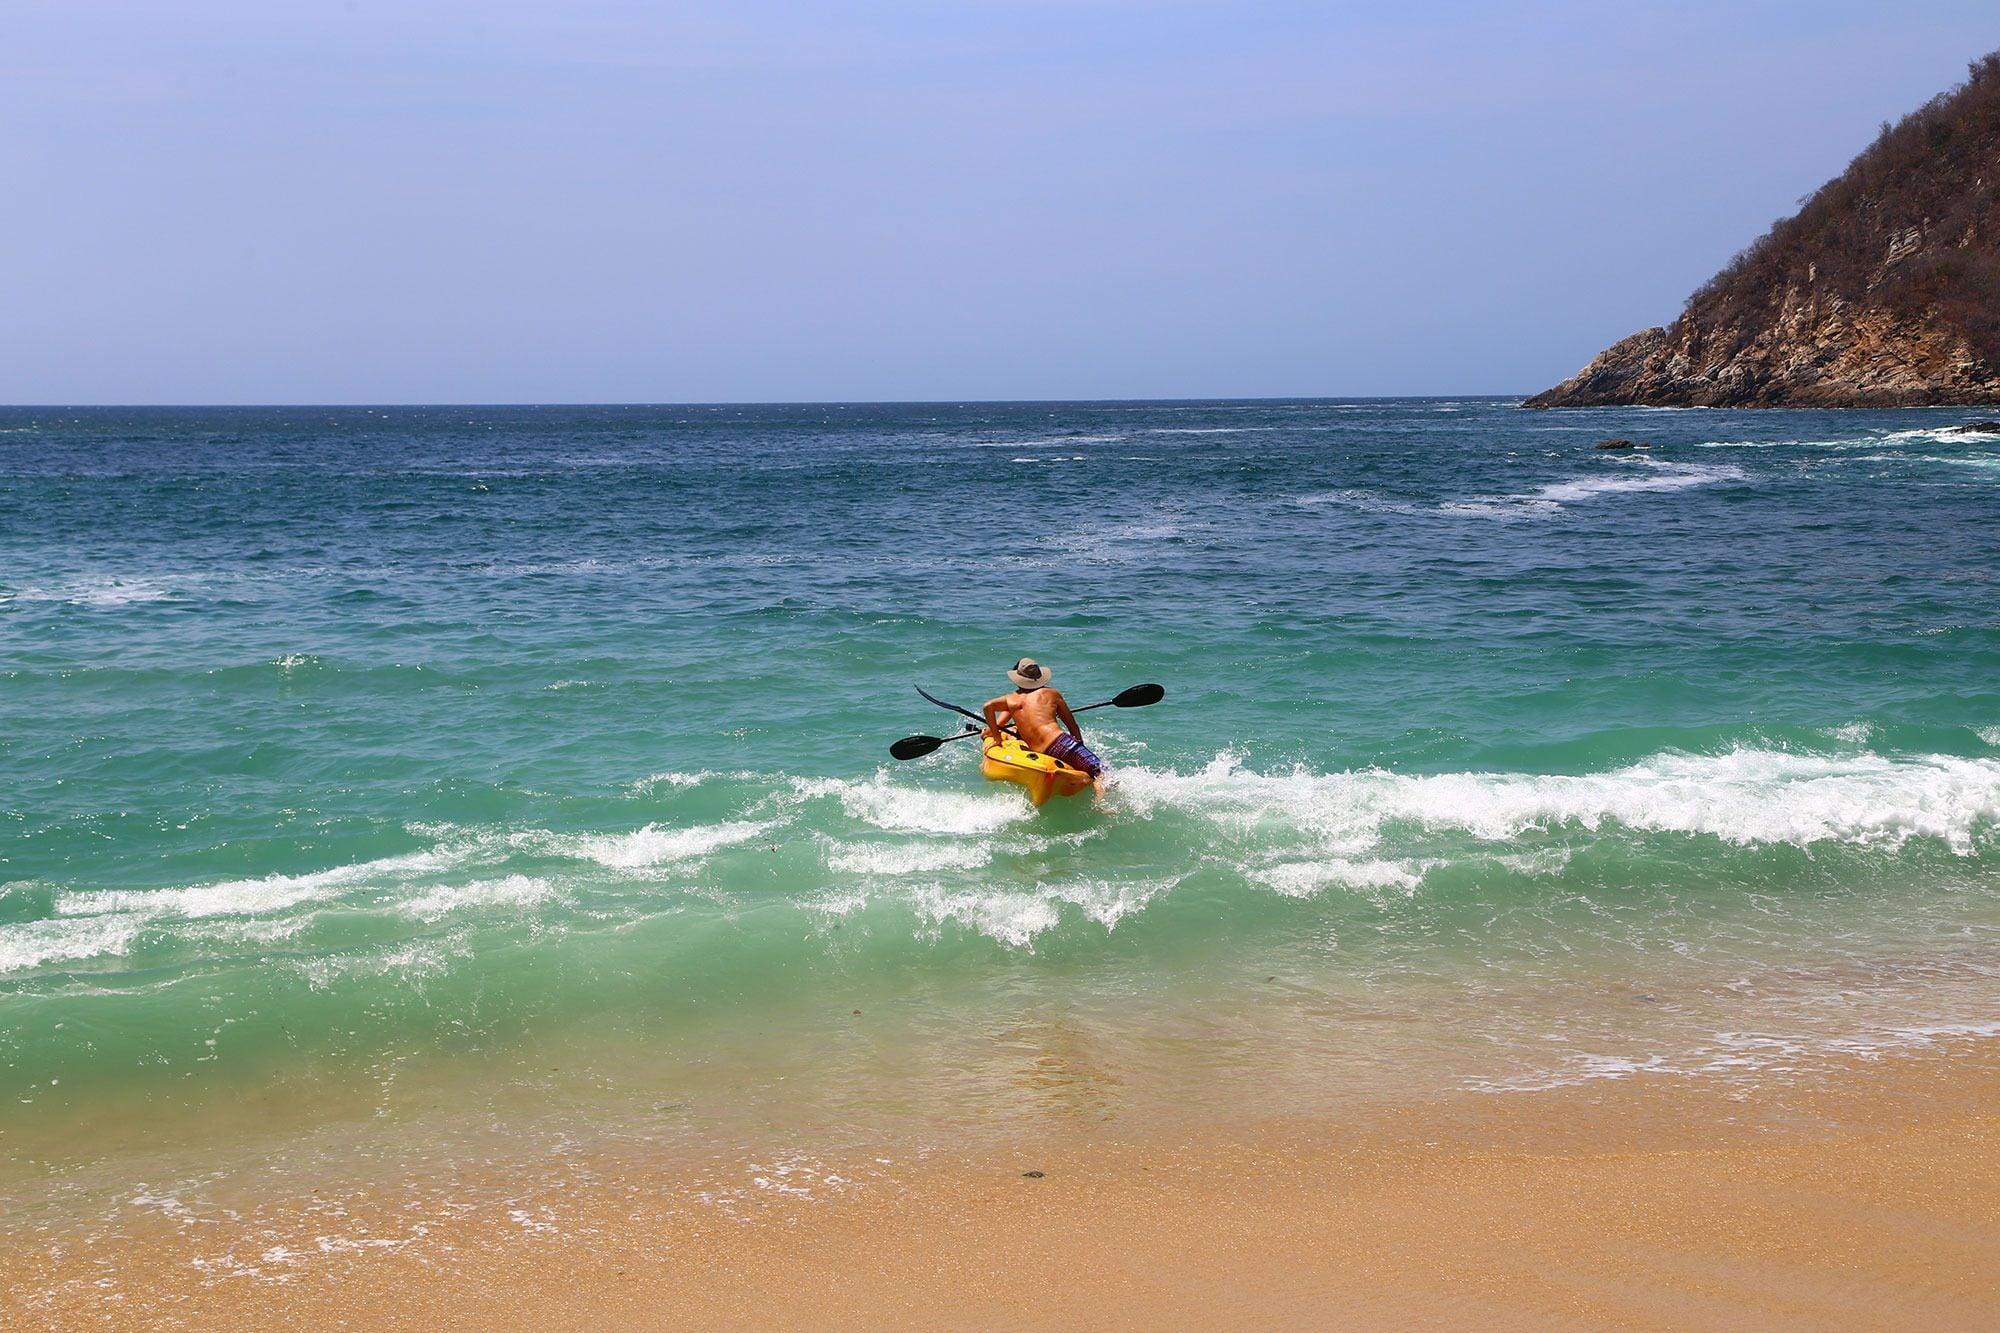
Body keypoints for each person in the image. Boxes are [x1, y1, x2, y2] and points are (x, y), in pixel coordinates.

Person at [982, 658, 1106, 798]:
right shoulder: (1052, 694)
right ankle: (1101, 804)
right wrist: (1080, 746)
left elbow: (987, 707)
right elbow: (1072, 726)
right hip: (1060, 743)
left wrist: (997, 738)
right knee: (1102, 771)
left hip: (1041, 752)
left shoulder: (1011, 699)